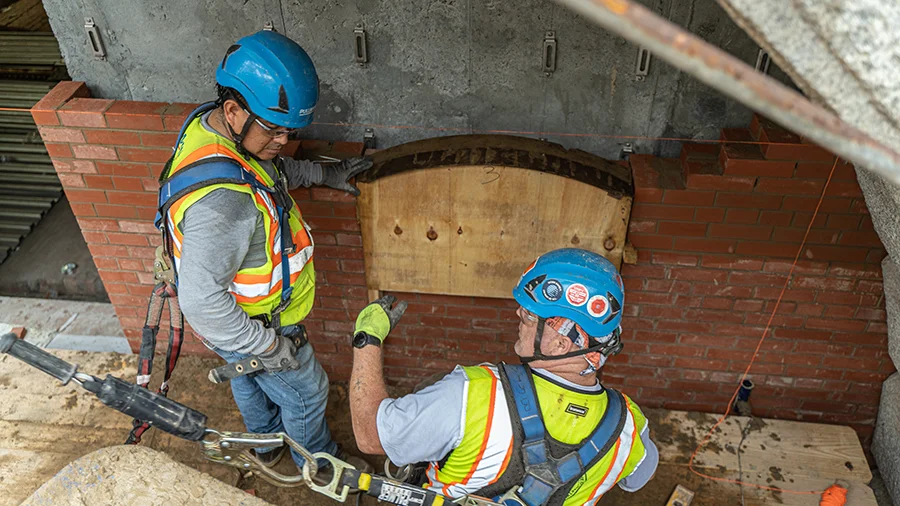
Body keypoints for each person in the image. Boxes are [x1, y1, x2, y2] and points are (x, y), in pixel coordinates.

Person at [156, 30, 371, 471]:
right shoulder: (223, 205)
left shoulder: (211, 130)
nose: (283, 141)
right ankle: (319, 465)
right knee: (308, 391)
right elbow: (202, 301)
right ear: (234, 110)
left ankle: (265, 444)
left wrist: (321, 174)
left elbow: (260, 168)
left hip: (233, 323)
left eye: (290, 131)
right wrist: (268, 346)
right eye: (273, 130)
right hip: (252, 323)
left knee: (247, 377)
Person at [348, 248, 658, 505]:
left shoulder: (474, 394)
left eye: (530, 315)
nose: (518, 315)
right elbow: (638, 478)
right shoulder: (628, 426)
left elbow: (370, 435)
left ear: (561, 344)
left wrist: (367, 339)